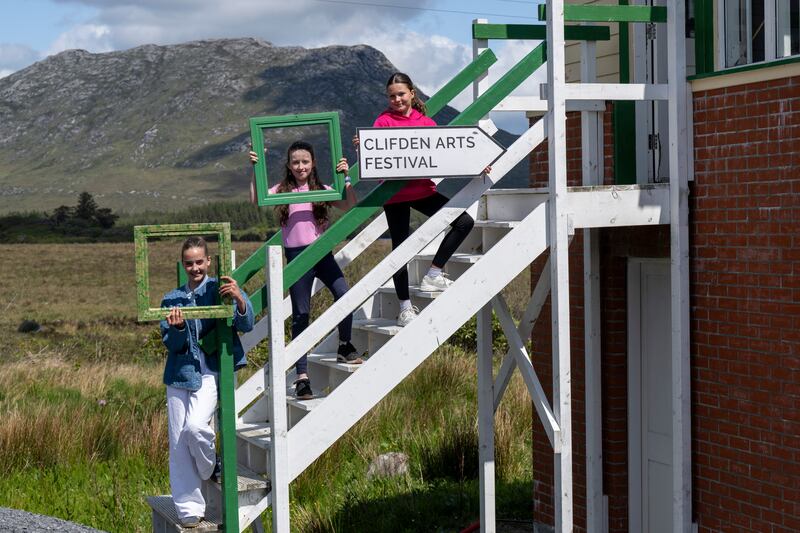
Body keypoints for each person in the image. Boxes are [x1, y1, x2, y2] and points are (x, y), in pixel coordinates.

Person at [357, 72, 486, 326]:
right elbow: (373, 162)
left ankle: (434, 273)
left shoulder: (426, 123)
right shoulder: (382, 123)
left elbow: (448, 153)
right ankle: (405, 308)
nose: (397, 99)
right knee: (400, 250)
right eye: (392, 96)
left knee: (463, 222)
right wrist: (363, 147)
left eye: (401, 94)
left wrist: (477, 163)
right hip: (394, 196)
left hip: (423, 191)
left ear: (412, 93)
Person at [249, 140, 361, 401]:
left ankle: (344, 344)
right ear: (289, 165)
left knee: (344, 294)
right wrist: (255, 168)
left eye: (305, 162)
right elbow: (256, 200)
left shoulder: (321, 189)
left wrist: (346, 177)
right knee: (301, 313)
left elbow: (348, 204)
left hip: (321, 253)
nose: (301, 166)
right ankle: (302, 377)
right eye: (296, 162)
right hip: (296, 257)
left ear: (313, 164)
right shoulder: (281, 190)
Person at [160, 236, 254, 528]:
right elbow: (172, 345)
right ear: (183, 264)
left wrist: (239, 298)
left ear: (209, 261)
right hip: (179, 373)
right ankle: (188, 508)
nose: (195, 267)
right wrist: (176, 330)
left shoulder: (220, 289)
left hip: (211, 371)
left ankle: (210, 465)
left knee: (196, 426)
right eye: (189, 263)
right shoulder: (172, 299)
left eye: (199, 261)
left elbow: (246, 323)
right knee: (178, 441)